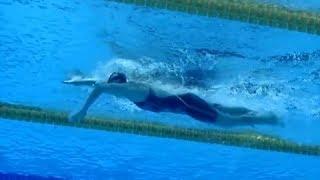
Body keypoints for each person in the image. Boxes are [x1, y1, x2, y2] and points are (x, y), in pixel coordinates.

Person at [63, 72, 281, 127]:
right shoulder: (128, 88)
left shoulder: (131, 89)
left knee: (225, 122)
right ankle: (254, 114)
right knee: (221, 109)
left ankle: (270, 119)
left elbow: (101, 86)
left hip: (186, 104)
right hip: (186, 103)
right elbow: (98, 83)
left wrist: (83, 111)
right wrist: (78, 81)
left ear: (117, 83)